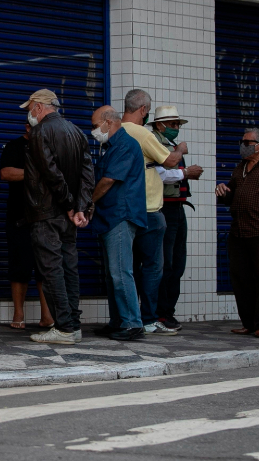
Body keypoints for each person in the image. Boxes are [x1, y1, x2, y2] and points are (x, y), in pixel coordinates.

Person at [20, 89, 95, 345]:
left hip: (47, 212)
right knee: (69, 269)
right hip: (68, 216)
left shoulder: (40, 132)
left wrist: (69, 205)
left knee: (51, 271)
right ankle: (73, 325)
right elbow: (88, 174)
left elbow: (51, 174)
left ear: (40, 107)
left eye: (30, 108)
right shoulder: (76, 131)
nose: (29, 114)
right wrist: (81, 208)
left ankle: (63, 328)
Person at [119, 89, 182, 336]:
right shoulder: (142, 133)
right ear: (144, 110)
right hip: (150, 209)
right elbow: (169, 161)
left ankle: (129, 317)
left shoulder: (116, 131)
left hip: (126, 209)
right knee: (153, 267)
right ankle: (148, 318)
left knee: (129, 267)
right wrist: (181, 150)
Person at [215, 127, 259, 338]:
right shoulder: (241, 168)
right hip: (238, 231)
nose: (243, 145)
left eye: (247, 142)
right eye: (242, 141)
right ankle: (247, 322)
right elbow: (232, 195)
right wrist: (223, 191)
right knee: (241, 279)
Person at [89, 106, 148, 341]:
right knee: (112, 274)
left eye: (95, 126)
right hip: (110, 217)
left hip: (120, 216)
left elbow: (108, 180)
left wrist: (89, 202)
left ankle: (133, 323)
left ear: (108, 122)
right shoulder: (111, 147)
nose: (93, 131)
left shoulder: (124, 145)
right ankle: (118, 321)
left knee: (120, 271)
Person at [149, 106, 204, 331]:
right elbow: (158, 174)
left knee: (178, 264)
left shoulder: (169, 145)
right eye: (172, 125)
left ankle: (167, 311)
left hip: (178, 209)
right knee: (166, 264)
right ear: (160, 124)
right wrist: (184, 169)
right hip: (164, 209)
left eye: (177, 125)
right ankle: (160, 314)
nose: (176, 129)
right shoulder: (154, 142)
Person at [0, 123, 54, 330]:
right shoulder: (14, 147)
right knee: (19, 266)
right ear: (28, 128)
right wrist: (36, 173)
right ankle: (18, 314)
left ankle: (47, 316)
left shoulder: (51, 148)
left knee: (45, 268)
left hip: (47, 216)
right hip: (19, 217)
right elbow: (5, 173)